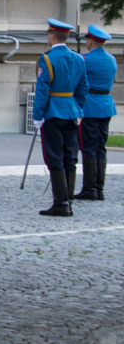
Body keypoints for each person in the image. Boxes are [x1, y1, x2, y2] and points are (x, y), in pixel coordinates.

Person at [32, 18, 88, 217]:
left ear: (53, 35)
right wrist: (77, 108)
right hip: (71, 112)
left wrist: (38, 115)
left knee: (54, 157)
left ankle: (61, 203)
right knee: (69, 157)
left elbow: (42, 90)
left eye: (48, 34)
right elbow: (83, 88)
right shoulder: (78, 58)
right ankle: (68, 200)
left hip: (53, 112)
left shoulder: (46, 59)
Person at [77, 24, 116, 201]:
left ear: (91, 40)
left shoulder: (85, 59)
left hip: (90, 106)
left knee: (88, 148)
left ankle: (89, 189)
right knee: (101, 147)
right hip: (106, 105)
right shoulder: (112, 59)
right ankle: (99, 188)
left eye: (87, 39)